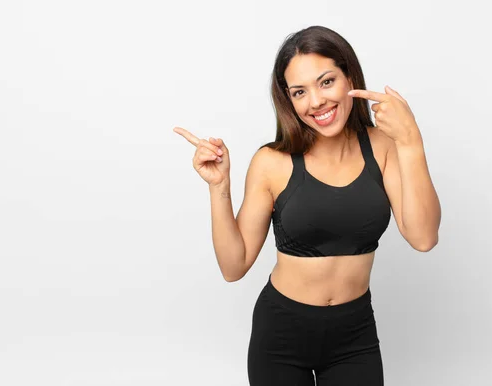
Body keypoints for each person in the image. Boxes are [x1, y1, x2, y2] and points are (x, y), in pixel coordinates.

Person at [173, 25, 441, 386]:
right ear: (289, 99)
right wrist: (219, 187)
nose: (315, 102)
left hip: (354, 336)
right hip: (281, 335)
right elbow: (233, 267)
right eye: (300, 91)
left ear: (350, 76)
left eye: (326, 82)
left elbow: (423, 237)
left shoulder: (384, 147)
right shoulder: (272, 161)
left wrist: (411, 142)